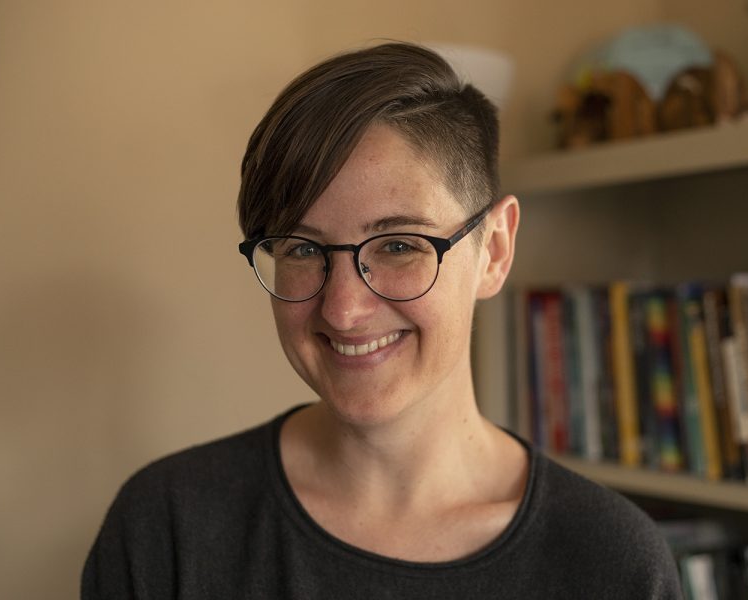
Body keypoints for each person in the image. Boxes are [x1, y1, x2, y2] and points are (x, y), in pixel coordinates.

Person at [82, 42, 682, 599]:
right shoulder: (168, 525)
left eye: (398, 245)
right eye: (301, 247)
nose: (342, 309)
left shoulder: (610, 562)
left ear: (494, 250)